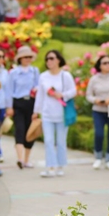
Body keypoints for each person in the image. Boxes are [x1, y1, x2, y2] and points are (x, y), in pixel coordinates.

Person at [33, 50, 76, 178]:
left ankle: (60, 165)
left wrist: (62, 95)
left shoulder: (65, 75)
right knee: (48, 141)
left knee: (61, 141)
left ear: (58, 60)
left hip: (61, 114)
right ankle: (50, 166)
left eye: (51, 58)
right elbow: (40, 95)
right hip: (47, 114)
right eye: (47, 59)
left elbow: (73, 91)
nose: (49, 61)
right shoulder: (43, 76)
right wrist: (36, 111)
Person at [6, 45, 40, 169]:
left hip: (31, 102)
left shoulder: (35, 71)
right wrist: (9, 107)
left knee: (30, 131)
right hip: (18, 103)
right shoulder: (13, 73)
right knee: (20, 129)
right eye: (25, 57)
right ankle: (20, 158)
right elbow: (9, 91)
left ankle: (26, 159)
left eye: (29, 57)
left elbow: (39, 87)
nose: (27, 59)